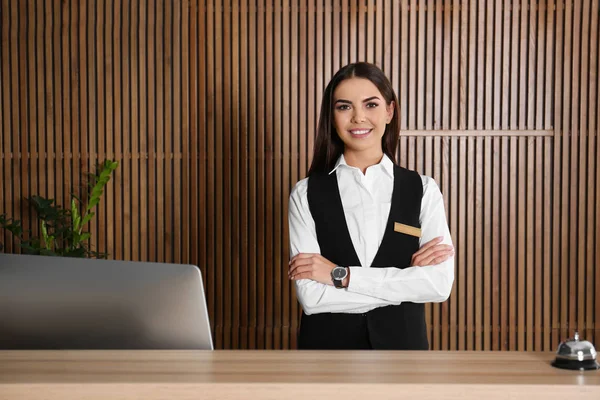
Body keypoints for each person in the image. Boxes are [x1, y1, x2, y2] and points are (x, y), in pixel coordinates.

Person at [288, 62, 455, 350]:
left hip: (405, 359)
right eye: (344, 107)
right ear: (332, 116)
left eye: (371, 104)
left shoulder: (424, 190)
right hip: (325, 360)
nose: (358, 117)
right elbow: (312, 299)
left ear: (390, 111)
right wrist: (407, 282)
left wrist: (340, 275)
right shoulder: (305, 194)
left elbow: (438, 286)